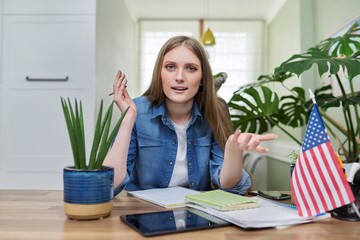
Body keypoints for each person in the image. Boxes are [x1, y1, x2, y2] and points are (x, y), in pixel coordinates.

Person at [104, 35, 277, 196]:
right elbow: (109, 185)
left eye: (191, 68)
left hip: (197, 216)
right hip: (144, 215)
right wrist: (127, 120)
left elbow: (230, 187)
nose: (179, 77)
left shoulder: (214, 110)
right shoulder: (137, 110)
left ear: (202, 77)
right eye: (170, 67)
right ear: (160, 73)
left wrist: (233, 152)